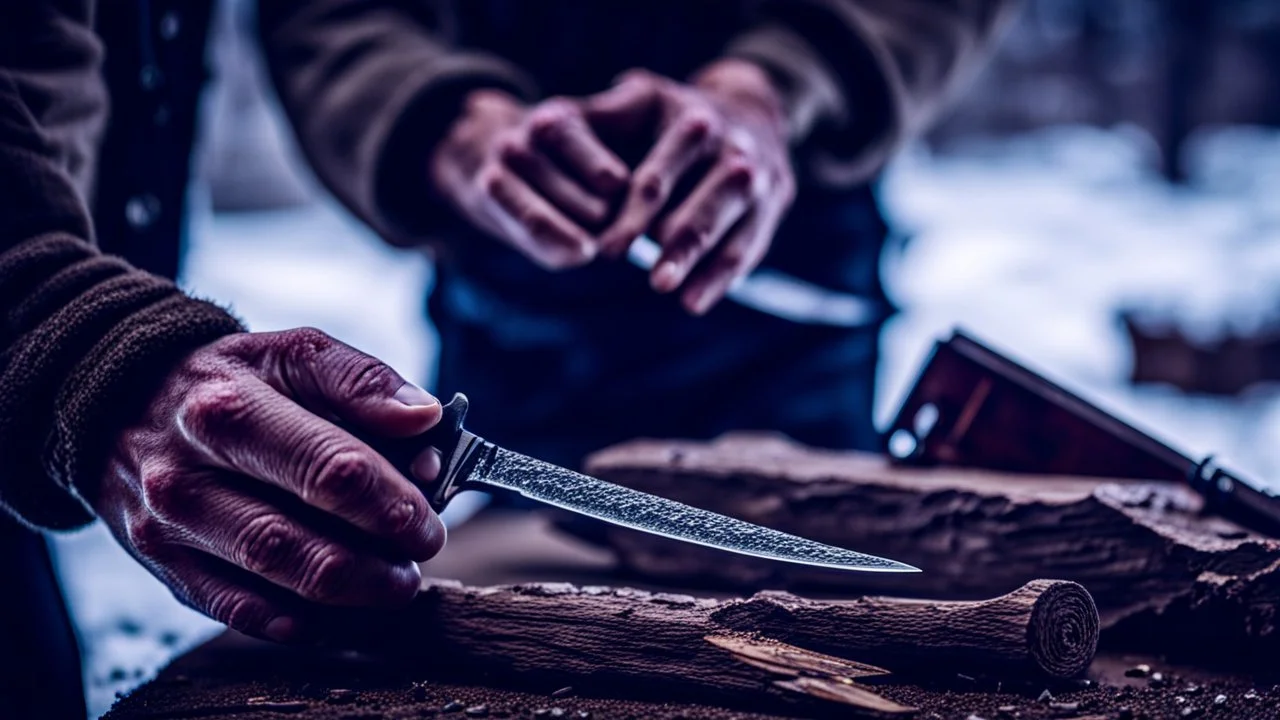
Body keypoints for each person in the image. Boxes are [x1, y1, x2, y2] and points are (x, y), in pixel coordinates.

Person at [0, 1, 1015, 716]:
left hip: (795, 297)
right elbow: (327, 18)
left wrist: (776, 88)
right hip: (505, 298)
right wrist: (441, 122)